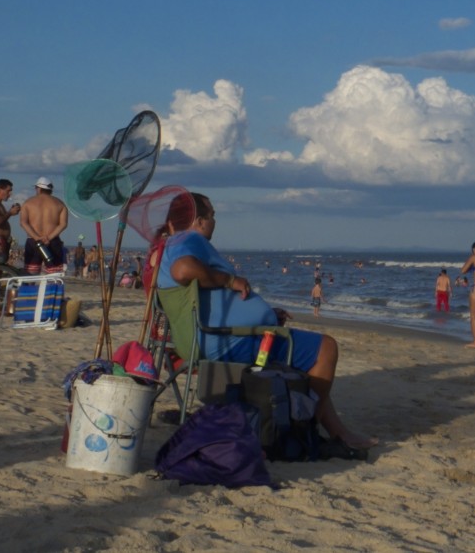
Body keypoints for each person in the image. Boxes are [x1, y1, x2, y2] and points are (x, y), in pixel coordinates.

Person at [158, 193, 376, 452]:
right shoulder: (188, 239)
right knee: (326, 348)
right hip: (227, 340)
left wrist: (267, 316)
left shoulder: (172, 245)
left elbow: (208, 297)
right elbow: (182, 271)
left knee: (309, 353)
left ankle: (338, 432)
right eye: (213, 215)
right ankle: (303, 432)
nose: (215, 222)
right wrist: (230, 281)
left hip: (216, 337)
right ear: (199, 220)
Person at [20, 176, 67, 274]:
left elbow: (23, 223)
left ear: (39, 189)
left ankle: (31, 289)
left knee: (30, 275)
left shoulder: (28, 203)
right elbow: (63, 224)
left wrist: (37, 237)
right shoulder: (60, 204)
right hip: (53, 241)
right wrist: (48, 238)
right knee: (54, 276)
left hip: (33, 241)